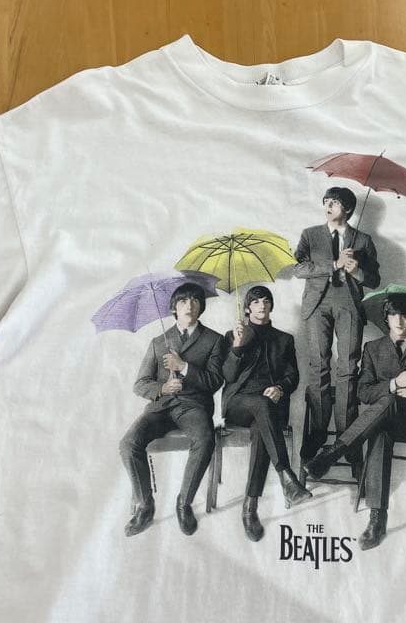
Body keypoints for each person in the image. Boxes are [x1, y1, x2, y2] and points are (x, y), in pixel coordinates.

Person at [305, 292, 406, 550]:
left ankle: (332, 453)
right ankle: (378, 519)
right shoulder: (373, 349)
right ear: (386, 318)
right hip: (386, 419)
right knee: (380, 428)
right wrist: (394, 383)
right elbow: (363, 392)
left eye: (405, 315)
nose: (399, 321)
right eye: (393, 315)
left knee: (387, 404)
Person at [119, 282, 225, 538]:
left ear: (201, 307)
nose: (189, 306)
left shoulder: (214, 340)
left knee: (205, 439)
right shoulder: (158, 342)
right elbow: (140, 384)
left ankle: (184, 503)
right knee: (128, 444)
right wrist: (163, 387)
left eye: (195, 301)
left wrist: (184, 367)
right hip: (161, 407)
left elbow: (214, 381)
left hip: (194, 407)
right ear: (174, 308)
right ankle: (145, 505)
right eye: (183, 301)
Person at [294, 185, 380, 466]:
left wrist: (357, 271)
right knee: (319, 365)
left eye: (334, 202)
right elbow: (299, 269)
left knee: (348, 368)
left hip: (349, 305)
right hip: (317, 306)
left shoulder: (363, 240)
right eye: (326, 201)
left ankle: (345, 437)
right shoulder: (310, 234)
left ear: (349, 209)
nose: (328, 206)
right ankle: (319, 431)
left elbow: (375, 280)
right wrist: (333, 264)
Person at [221, 286, 312, 540]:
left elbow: (293, 377)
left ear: (271, 306)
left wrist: (280, 388)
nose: (262, 305)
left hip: (271, 408)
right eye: (256, 302)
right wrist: (237, 346)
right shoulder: (232, 335)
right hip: (237, 404)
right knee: (261, 405)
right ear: (247, 308)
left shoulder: (284, 339)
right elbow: (227, 376)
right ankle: (286, 476)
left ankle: (249, 507)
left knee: (263, 427)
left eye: (266, 301)